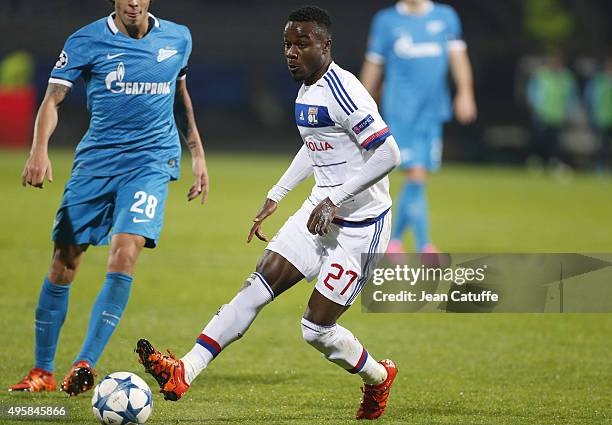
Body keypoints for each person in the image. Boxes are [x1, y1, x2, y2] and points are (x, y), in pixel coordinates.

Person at [136, 6, 400, 420]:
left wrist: (335, 200)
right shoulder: (307, 89)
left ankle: (378, 377)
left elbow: (388, 152)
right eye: (287, 44)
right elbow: (316, 145)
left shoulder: (344, 90)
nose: (292, 52)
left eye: (303, 44)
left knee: (315, 330)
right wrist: (278, 194)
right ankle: (183, 370)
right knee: (255, 287)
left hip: (360, 228)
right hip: (318, 215)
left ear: (326, 45)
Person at [9, 0, 208, 396]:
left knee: (125, 252)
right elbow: (52, 98)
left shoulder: (178, 37)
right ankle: (42, 372)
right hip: (96, 164)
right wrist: (38, 149)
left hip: (151, 162)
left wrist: (197, 153)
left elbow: (180, 95)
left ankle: (85, 363)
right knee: (65, 261)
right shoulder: (86, 40)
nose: (132, 2)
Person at [360, 0, 477, 254]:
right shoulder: (387, 21)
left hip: (434, 111)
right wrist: (359, 108)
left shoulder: (446, 16)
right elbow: (373, 64)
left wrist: (465, 93)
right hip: (401, 111)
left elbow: (458, 57)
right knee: (416, 174)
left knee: (420, 175)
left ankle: (394, 242)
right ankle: (425, 245)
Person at [526, 53, 577, 166]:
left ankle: (554, 162)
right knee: (539, 139)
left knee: (555, 141)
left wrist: (569, 111)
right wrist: (535, 106)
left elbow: (571, 96)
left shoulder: (566, 77)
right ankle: (536, 160)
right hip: (542, 114)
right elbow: (532, 92)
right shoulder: (541, 75)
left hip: (558, 115)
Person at [585, 55, 612, 172]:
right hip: (602, 117)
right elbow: (590, 98)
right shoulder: (599, 80)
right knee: (602, 145)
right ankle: (600, 167)